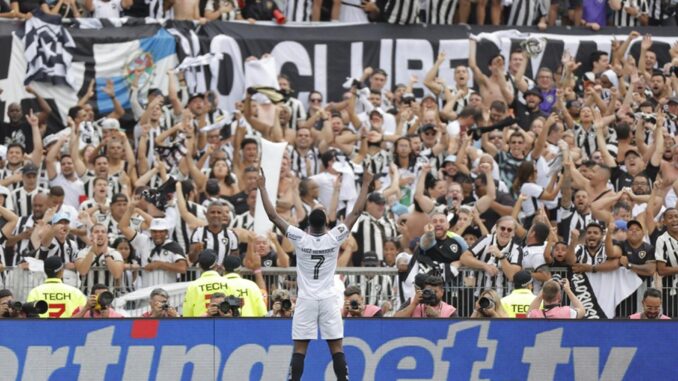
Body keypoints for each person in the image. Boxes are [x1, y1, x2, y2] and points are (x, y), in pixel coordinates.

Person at [258, 167, 373, 381]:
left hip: (306, 299)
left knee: (300, 348)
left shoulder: (301, 238)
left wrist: (262, 187)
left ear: (309, 224)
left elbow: (273, 215)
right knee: (336, 346)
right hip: (328, 298)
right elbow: (355, 213)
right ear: (326, 224)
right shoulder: (334, 238)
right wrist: (365, 184)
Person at [182, 250, 230, 317]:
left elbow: (187, 313)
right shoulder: (228, 283)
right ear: (216, 264)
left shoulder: (193, 286)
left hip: (201, 325)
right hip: (223, 323)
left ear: (200, 265)